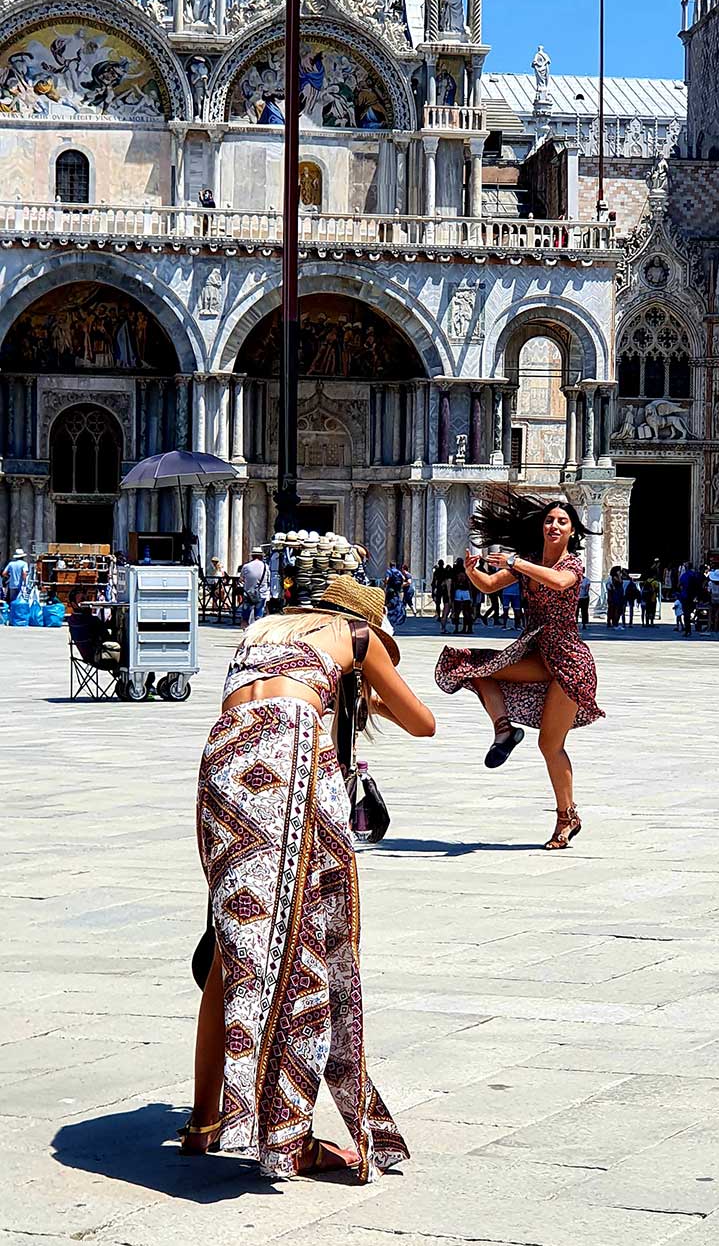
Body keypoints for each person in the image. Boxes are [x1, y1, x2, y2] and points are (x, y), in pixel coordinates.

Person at [184, 574, 435, 1179]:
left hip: (222, 759)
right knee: (308, 940)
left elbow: (275, 692)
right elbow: (422, 721)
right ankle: (286, 1136)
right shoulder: (356, 635)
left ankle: (203, 1123)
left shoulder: (260, 629)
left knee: (235, 943)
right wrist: (371, 691)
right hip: (289, 753)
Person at [435, 489, 603, 850]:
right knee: (474, 668)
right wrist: (473, 573)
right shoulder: (527, 560)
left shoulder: (571, 565)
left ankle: (566, 816)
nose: (553, 526)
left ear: (572, 531)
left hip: (569, 663)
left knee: (549, 744)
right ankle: (503, 731)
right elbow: (491, 585)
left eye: (561, 522)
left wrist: (516, 563)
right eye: (549, 520)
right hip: (537, 652)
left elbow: (557, 583)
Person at [239, 548, 269, 629]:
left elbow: (241, 579)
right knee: (258, 616)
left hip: (248, 593)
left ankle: (245, 629)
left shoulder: (246, 566)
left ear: (252, 556)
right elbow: (268, 579)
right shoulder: (266, 567)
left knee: (245, 615)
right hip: (261, 593)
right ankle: (256, 630)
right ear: (261, 556)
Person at [678, 561, 704, 636]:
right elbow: (700, 585)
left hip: (685, 596)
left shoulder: (684, 575)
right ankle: (697, 625)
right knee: (695, 611)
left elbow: (680, 585)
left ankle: (687, 630)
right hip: (693, 596)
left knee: (686, 614)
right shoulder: (695, 575)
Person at [451, 556, 473, 634]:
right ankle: (466, 628)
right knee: (465, 612)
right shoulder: (465, 570)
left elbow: (453, 583)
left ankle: (459, 628)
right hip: (464, 592)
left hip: (459, 591)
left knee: (460, 611)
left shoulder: (455, 570)